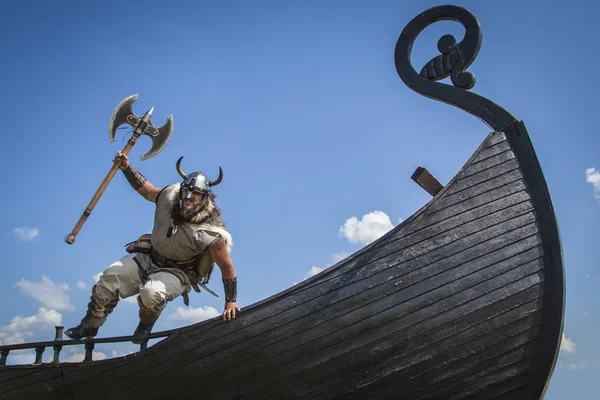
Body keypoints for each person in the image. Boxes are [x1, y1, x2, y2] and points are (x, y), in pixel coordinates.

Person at [65, 151, 240, 344]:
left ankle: (145, 324)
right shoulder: (168, 196)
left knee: (151, 293)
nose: (189, 196)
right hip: (148, 257)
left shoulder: (212, 233)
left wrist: (230, 301)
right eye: (186, 190)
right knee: (110, 276)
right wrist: (126, 167)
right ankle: (90, 324)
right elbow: (147, 190)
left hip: (177, 271)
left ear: (205, 197)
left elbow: (227, 267)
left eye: (196, 193)